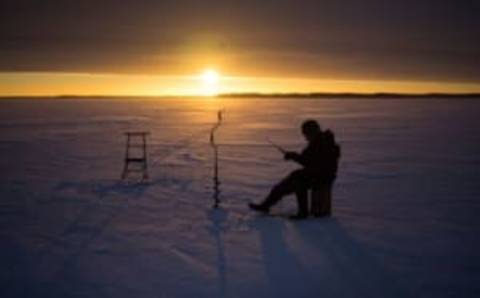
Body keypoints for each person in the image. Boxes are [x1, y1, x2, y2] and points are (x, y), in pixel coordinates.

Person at [249, 120, 340, 219]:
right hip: (322, 175)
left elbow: (310, 161)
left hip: (322, 177)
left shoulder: (320, 143)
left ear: (312, 132)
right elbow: (310, 161)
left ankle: (301, 213)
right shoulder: (323, 140)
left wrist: (293, 156)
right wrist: (293, 156)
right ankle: (267, 204)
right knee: (294, 178)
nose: (305, 137)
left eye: (306, 134)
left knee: (298, 181)